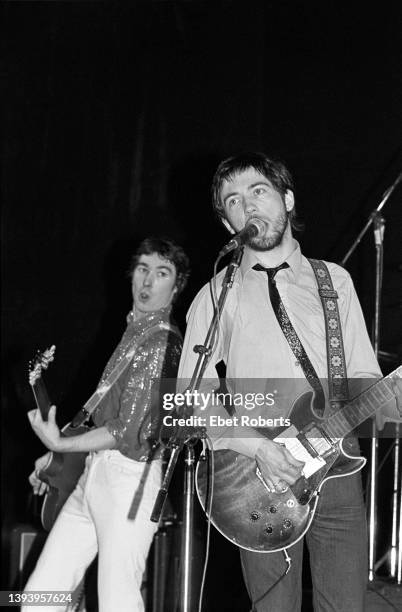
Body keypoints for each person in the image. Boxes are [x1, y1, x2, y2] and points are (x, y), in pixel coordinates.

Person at [177, 152, 401, 612]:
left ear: (288, 199)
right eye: (233, 201)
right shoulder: (218, 293)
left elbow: (364, 378)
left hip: (338, 468)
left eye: (258, 191)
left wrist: (388, 402)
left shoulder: (333, 280)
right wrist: (257, 448)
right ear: (227, 223)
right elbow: (191, 394)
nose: (249, 206)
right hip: (259, 476)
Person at [24, 237, 190, 612]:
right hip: (96, 475)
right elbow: (99, 417)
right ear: (130, 275)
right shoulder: (134, 333)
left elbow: (126, 431)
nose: (148, 281)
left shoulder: (161, 343)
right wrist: (55, 462)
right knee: (39, 597)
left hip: (131, 481)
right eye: (143, 269)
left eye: (161, 273)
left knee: (118, 602)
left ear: (176, 287)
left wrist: (61, 446)